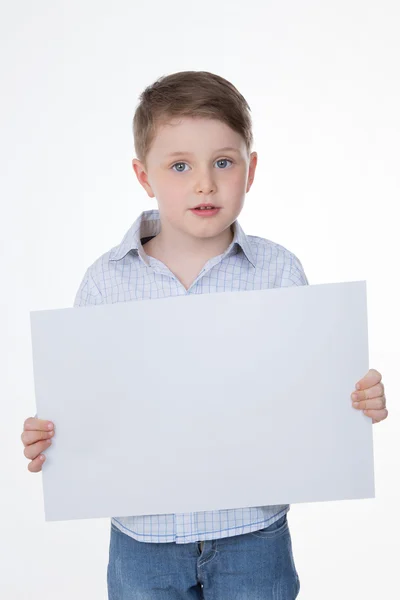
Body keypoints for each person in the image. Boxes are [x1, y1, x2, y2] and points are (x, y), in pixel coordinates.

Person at [21, 71, 388, 599]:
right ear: (143, 176)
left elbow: (309, 395)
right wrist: (53, 437)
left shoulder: (278, 272)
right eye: (179, 166)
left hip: (252, 536)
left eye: (223, 161)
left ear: (250, 168)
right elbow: (89, 403)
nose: (204, 183)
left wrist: (356, 401)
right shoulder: (106, 280)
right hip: (142, 543)